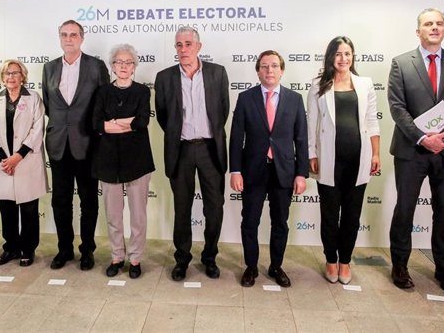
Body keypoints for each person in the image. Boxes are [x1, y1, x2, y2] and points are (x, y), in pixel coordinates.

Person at [388, 8, 444, 294]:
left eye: (439, 24)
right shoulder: (401, 63)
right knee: (405, 210)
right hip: (412, 151)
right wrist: (423, 138)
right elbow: (397, 107)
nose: (434, 28)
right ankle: (399, 265)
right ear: (418, 31)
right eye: (428, 24)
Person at [155, 26, 229, 281]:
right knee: (182, 208)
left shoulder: (217, 73)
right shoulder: (164, 77)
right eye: (178, 45)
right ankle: (182, 259)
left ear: (199, 46)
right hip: (182, 150)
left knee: (215, 208)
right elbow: (165, 118)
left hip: (210, 149)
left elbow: (222, 112)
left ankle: (210, 257)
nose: (183, 49)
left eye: (188, 44)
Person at [230, 50, 309, 288]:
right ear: (258, 71)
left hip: (283, 171)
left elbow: (301, 139)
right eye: (264, 66)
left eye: (274, 66)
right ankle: (251, 266)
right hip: (253, 171)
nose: (269, 70)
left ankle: (276, 266)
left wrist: (301, 173)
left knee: (280, 223)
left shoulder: (295, 99)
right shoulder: (245, 98)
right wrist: (235, 170)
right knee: (249, 221)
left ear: (282, 70)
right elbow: (236, 138)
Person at [307, 37, 380, 285]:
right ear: (330, 57)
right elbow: (311, 124)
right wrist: (311, 154)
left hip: (358, 159)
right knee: (329, 214)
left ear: (353, 56)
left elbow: (372, 122)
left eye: (347, 53)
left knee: (352, 214)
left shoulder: (364, 84)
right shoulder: (319, 85)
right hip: (329, 160)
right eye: (338, 54)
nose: (343, 59)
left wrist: (376, 153)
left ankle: (345, 261)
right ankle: (330, 259)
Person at [42, 20, 109, 271]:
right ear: (59, 38)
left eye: (73, 35)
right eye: (64, 35)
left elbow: (103, 103)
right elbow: (49, 104)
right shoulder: (49, 68)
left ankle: (87, 250)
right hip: (58, 144)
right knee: (60, 200)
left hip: (87, 144)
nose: (68, 39)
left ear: (82, 38)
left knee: (88, 200)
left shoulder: (96, 66)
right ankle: (64, 249)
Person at [91, 44, 154, 279]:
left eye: (128, 62)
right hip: (107, 161)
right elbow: (96, 124)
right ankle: (117, 256)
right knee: (113, 215)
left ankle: (135, 258)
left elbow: (141, 123)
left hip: (138, 161)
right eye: (119, 62)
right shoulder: (102, 92)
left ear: (135, 66)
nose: (123, 66)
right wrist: (123, 123)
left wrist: (112, 124)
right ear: (112, 65)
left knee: (138, 216)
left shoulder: (142, 91)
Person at [0, 59, 48, 267]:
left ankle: (27, 249)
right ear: (2, 78)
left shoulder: (34, 99)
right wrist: (5, 159)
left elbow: (37, 129)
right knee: (7, 209)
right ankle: (11, 247)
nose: (11, 77)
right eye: (7, 73)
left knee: (29, 210)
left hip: (26, 161)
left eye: (15, 73)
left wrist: (17, 156)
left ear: (23, 76)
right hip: (4, 164)